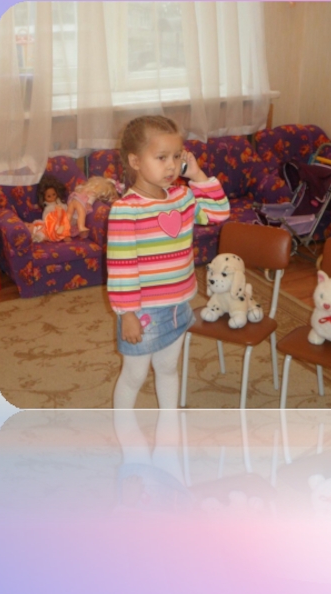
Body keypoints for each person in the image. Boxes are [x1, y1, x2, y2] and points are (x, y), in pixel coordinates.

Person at [107, 115, 230, 409]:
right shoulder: (126, 210)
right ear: (135, 161)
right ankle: (123, 429)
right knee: (134, 375)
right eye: (161, 157)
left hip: (179, 304)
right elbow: (122, 267)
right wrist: (127, 314)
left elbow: (218, 214)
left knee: (168, 368)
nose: (172, 166)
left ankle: (169, 424)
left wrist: (198, 176)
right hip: (144, 310)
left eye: (177, 156)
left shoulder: (183, 197)